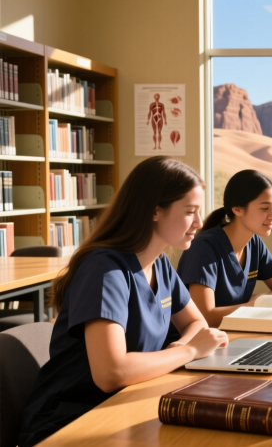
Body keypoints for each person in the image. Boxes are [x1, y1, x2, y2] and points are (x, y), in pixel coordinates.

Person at [18, 157, 229, 447]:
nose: (198, 223)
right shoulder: (105, 269)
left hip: (127, 402)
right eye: (190, 211)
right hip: (73, 422)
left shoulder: (160, 263)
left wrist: (181, 347)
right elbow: (110, 373)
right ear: (155, 210)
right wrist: (189, 350)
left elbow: (196, 322)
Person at [177, 170, 272, 328]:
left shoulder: (254, 243)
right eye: (265, 208)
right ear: (237, 209)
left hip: (233, 332)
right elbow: (205, 317)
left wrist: (262, 302)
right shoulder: (204, 247)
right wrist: (257, 305)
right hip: (198, 342)